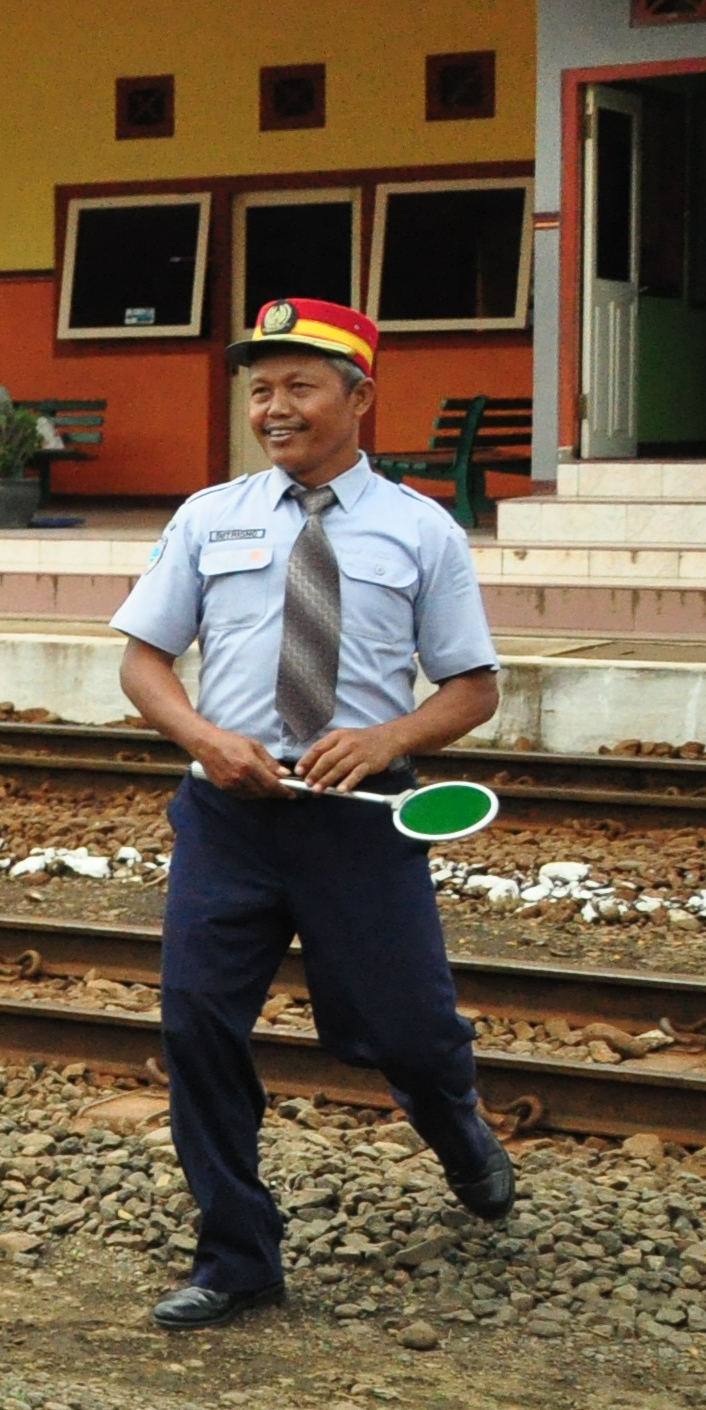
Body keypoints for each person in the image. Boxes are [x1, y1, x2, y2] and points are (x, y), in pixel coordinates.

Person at [108, 297, 513, 1332]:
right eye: (259, 388)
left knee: (403, 1034)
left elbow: (472, 688)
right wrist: (204, 738)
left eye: (297, 385)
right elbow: (142, 663)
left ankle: (459, 1129)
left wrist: (388, 741)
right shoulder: (208, 516)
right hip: (228, 813)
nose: (271, 407)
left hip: (361, 820)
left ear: (359, 397)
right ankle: (237, 1255)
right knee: (196, 1020)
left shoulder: (422, 531)